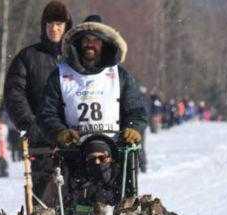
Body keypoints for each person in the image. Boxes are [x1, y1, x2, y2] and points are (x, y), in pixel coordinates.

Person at [38, 15, 147, 201]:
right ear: (78, 43)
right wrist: (59, 132)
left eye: (96, 40)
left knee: (121, 200)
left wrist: (134, 129)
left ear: (104, 44)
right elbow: (46, 113)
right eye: (86, 40)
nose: (90, 44)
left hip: (115, 150)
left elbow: (136, 110)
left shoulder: (119, 75)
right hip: (74, 151)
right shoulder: (60, 75)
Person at [4, 0, 72, 202]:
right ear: (44, 27)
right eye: (50, 24)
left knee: (75, 195)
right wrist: (31, 124)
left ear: (67, 27)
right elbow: (14, 94)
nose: (54, 29)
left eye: (59, 25)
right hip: (42, 139)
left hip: (75, 137)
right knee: (42, 196)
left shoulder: (76, 57)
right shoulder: (28, 57)